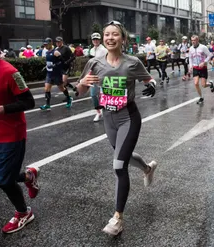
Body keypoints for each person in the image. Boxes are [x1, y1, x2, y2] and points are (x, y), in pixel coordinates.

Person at [75, 20, 158, 236]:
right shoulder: (94, 62)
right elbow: (80, 91)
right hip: (108, 119)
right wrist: (83, 82)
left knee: (118, 166)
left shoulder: (132, 62)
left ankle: (117, 218)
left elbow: (150, 79)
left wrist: (152, 87)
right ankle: (148, 169)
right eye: (107, 34)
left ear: (122, 39)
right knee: (124, 157)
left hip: (128, 118)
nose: (110, 38)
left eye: (115, 34)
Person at [0, 27, 40, 234]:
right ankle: (28, 176)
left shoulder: (10, 71)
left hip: (11, 135)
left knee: (3, 180)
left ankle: (23, 212)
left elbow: (29, 101)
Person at [40, 38, 73, 110]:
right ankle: (47, 105)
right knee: (46, 89)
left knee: (61, 88)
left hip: (56, 74)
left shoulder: (56, 52)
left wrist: (55, 65)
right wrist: (45, 67)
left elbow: (62, 62)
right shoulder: (47, 52)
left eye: (47, 44)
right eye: (45, 45)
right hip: (49, 74)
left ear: (51, 43)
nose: (45, 46)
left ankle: (68, 98)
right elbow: (49, 62)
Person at [188, 35, 214, 104]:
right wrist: (190, 66)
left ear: (197, 40)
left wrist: (204, 62)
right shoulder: (191, 49)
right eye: (192, 40)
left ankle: (210, 84)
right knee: (196, 83)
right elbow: (190, 58)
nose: (193, 42)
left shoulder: (203, 47)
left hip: (203, 68)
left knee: (203, 85)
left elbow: (210, 55)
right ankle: (201, 97)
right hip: (195, 67)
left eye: (194, 40)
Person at [88, 32, 108, 122]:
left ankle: (105, 110)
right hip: (93, 74)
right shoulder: (91, 50)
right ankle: (98, 112)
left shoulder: (104, 50)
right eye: (94, 39)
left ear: (100, 40)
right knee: (93, 94)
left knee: (103, 93)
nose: (95, 41)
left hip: (102, 74)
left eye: (97, 39)